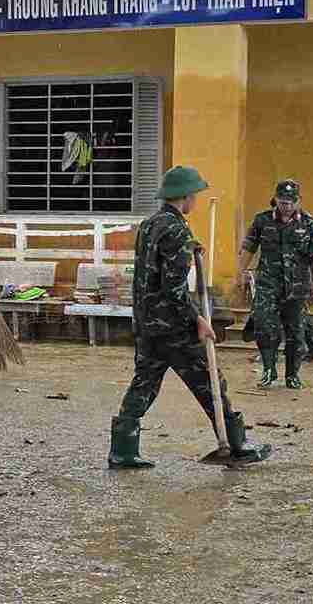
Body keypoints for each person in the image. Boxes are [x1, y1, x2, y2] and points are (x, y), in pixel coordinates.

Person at [108, 166, 272, 469]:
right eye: (194, 195)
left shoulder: (149, 224)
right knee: (210, 380)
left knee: (144, 383)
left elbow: (155, 268)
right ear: (184, 197)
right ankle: (236, 444)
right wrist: (197, 318)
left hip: (146, 324)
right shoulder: (177, 230)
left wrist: (189, 247)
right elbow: (174, 287)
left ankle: (122, 449)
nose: (195, 201)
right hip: (173, 327)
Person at [237, 180, 313, 390]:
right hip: (268, 283)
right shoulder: (262, 221)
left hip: (298, 286)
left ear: (298, 201)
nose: (286, 206)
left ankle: (292, 374)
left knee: (296, 331)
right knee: (263, 325)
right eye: (283, 201)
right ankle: (269, 369)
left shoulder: (309, 223)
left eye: (291, 202)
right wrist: (240, 272)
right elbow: (249, 247)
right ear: (276, 199)